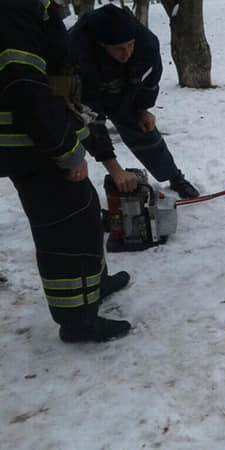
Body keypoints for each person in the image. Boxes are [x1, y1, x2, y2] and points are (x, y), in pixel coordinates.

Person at [1, 0, 131, 342]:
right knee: (64, 231)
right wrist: (67, 151)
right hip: (29, 144)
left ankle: (94, 284)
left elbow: (54, 79)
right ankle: (77, 321)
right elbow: (26, 89)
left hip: (39, 138)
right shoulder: (14, 12)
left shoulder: (37, 10)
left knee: (85, 210)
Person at [67, 4, 200, 199]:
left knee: (144, 132)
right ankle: (72, 195)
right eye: (119, 49)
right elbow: (89, 116)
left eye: (130, 45)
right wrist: (115, 170)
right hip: (85, 93)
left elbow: (150, 80)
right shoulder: (77, 50)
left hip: (123, 91)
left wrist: (143, 108)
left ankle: (174, 176)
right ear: (101, 44)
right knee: (78, 138)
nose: (127, 53)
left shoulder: (146, 43)